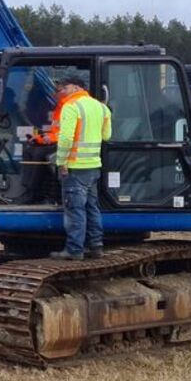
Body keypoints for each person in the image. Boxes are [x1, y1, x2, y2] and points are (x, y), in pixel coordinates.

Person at [49, 74, 113, 260]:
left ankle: (74, 250)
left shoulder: (71, 107)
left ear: (76, 87)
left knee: (75, 209)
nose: (60, 92)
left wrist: (61, 163)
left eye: (63, 87)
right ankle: (96, 246)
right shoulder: (101, 107)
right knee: (92, 207)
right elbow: (107, 135)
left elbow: (66, 138)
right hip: (93, 167)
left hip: (75, 168)